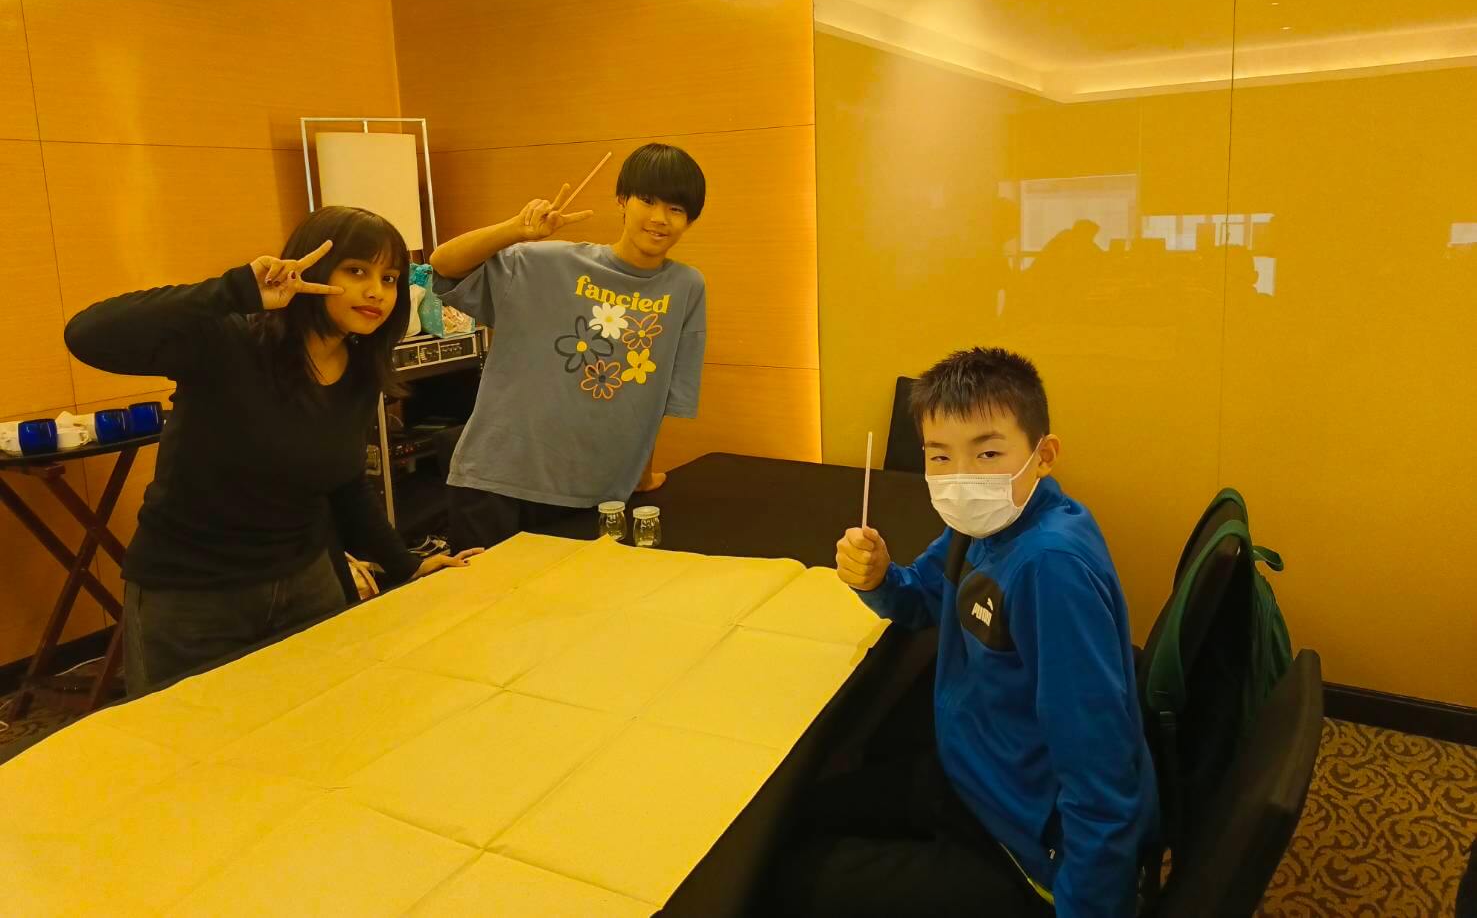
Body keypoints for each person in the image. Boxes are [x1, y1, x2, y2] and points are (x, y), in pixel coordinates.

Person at [776, 347, 1157, 918]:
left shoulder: (1049, 568)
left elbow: (1101, 769)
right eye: (940, 456)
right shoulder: (981, 525)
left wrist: (1087, 905)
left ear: (1043, 455)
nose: (963, 477)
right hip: (974, 774)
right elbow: (922, 600)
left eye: (988, 453)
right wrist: (879, 578)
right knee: (788, 817)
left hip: (1025, 844)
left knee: (786, 881)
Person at [65, 206, 480, 697]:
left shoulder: (359, 367)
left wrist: (406, 564)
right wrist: (236, 289)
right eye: (356, 271)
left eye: (389, 278)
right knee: (190, 736)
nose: (377, 292)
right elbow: (88, 334)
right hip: (193, 595)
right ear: (312, 269)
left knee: (320, 721)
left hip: (305, 582)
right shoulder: (232, 341)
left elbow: (345, 483)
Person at [429, 143, 707, 550]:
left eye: (676, 209)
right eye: (647, 200)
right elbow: (443, 265)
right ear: (622, 200)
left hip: (597, 493)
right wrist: (516, 230)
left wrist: (641, 474)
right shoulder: (545, 263)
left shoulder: (686, 287)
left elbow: (656, 395)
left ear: (690, 220)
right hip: (495, 484)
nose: (659, 218)